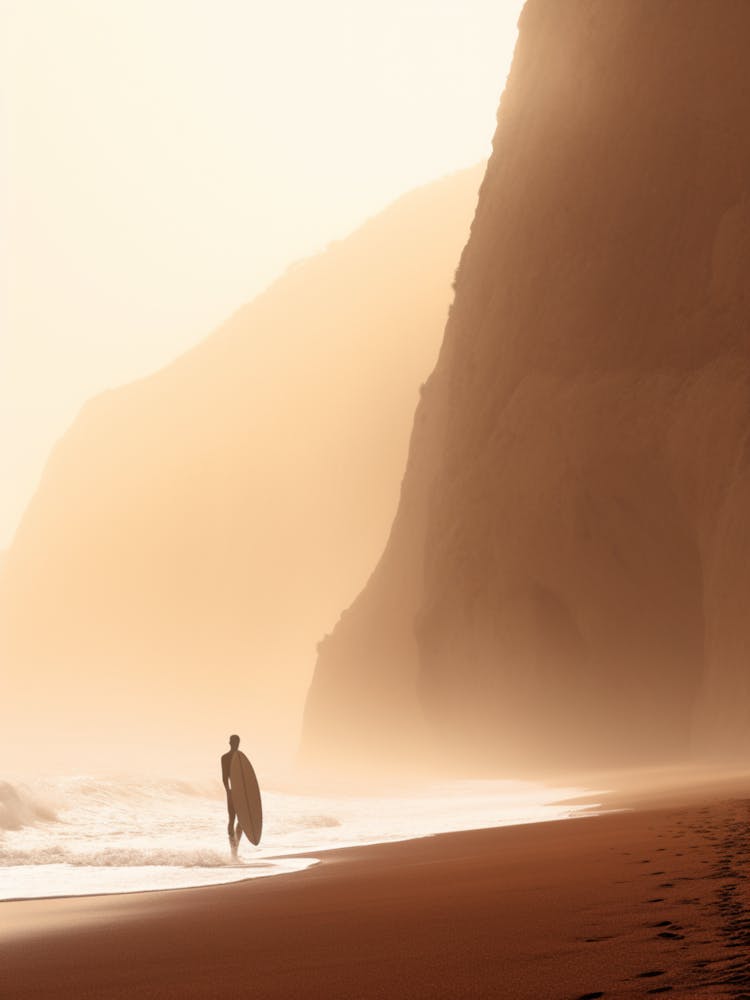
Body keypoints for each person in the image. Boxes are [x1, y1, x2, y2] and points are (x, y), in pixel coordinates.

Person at [221, 734, 242, 856]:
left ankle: (236, 847)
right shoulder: (225, 758)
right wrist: (228, 791)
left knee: (242, 821)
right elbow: (224, 777)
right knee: (232, 819)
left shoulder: (241, 757)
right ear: (230, 743)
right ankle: (233, 849)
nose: (236, 745)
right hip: (232, 791)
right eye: (234, 742)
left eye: (237, 743)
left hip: (241, 793)